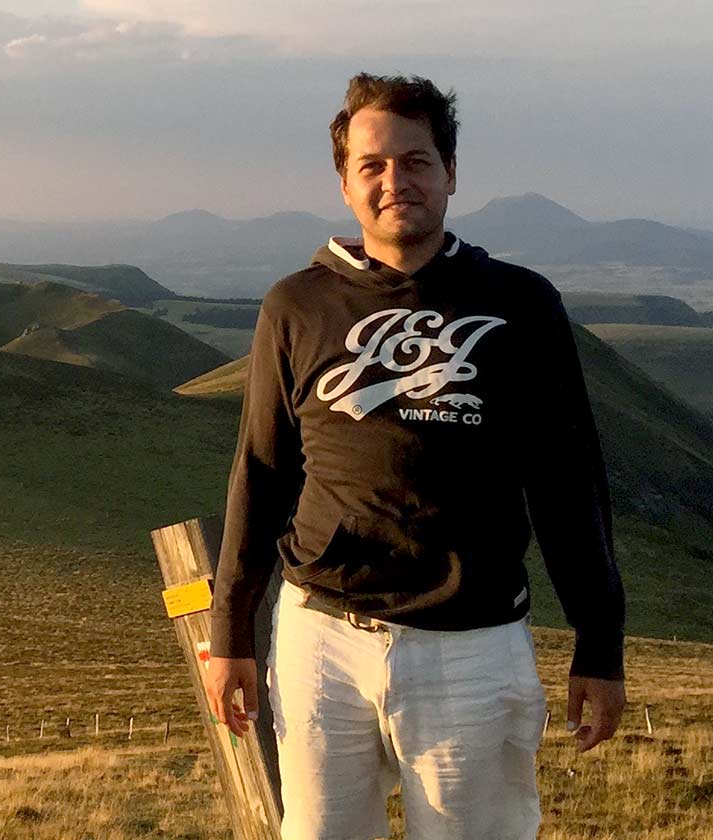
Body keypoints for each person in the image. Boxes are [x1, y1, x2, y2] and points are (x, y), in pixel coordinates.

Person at [201, 73, 627, 840]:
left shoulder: (520, 304)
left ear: (451, 173)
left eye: (416, 160)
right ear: (344, 183)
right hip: (319, 639)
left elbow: (568, 484)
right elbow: (261, 473)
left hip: (474, 646)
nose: (395, 180)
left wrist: (600, 644)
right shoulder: (296, 304)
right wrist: (230, 630)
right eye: (373, 165)